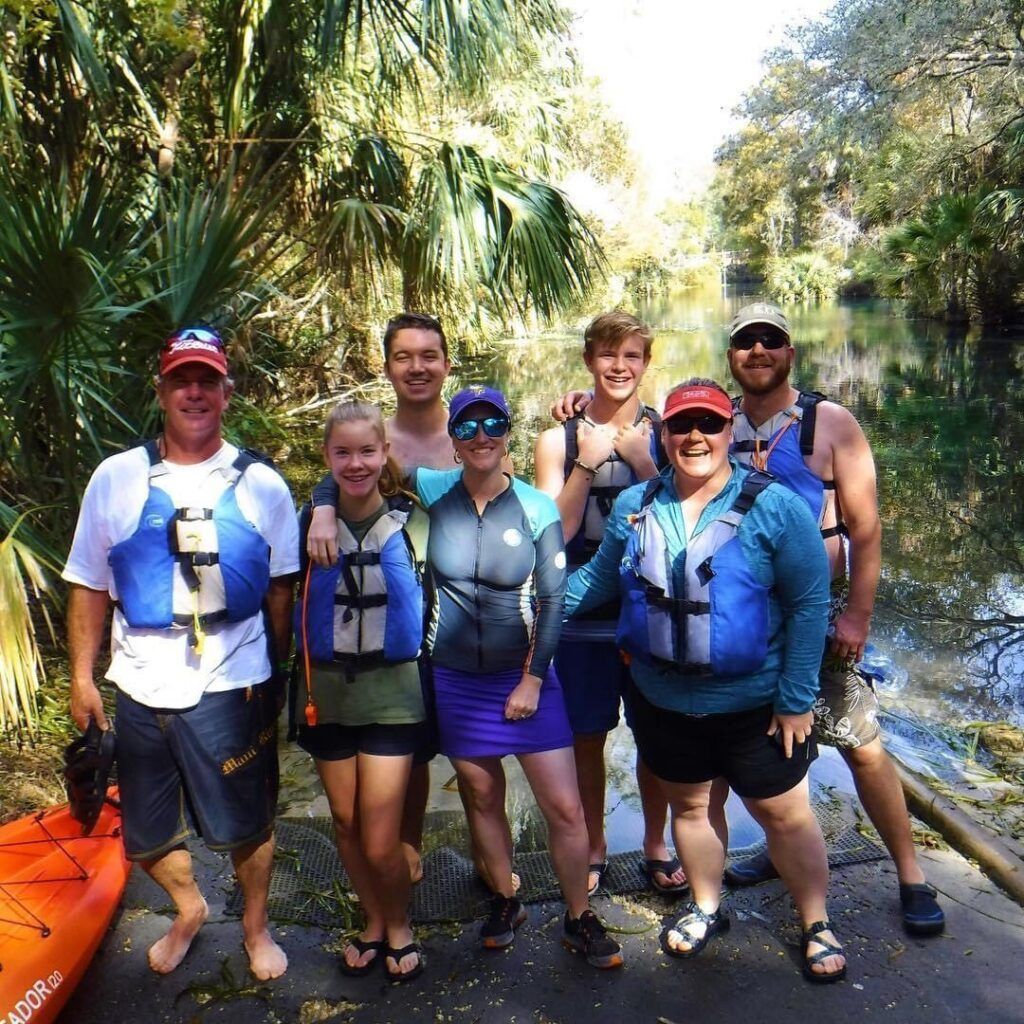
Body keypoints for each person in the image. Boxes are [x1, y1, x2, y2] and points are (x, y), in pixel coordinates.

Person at [313, 385, 624, 969]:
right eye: (467, 427)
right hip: (455, 679)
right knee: (481, 795)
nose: (481, 436)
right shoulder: (433, 491)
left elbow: (554, 600)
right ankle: (506, 897)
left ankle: (579, 914)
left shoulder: (535, 506)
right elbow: (359, 467)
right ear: (453, 440)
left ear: (508, 432)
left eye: (493, 424)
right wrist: (324, 502)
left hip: (524, 673)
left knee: (563, 806)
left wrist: (534, 679)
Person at [567, 379, 848, 983]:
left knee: (783, 814)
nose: (695, 436)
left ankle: (816, 921)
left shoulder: (774, 507)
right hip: (664, 699)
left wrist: (797, 700)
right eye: (681, 425)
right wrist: (531, 612)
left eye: (710, 424)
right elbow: (597, 582)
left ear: (729, 433)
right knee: (691, 809)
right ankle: (707, 905)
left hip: (756, 706)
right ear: (662, 434)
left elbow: (806, 602)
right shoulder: (636, 505)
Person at [63, 326, 297, 980]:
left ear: (226, 390)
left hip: (233, 680)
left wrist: (273, 676)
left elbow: (282, 590)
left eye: (206, 380)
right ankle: (189, 908)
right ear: (161, 390)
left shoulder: (263, 486)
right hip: (138, 681)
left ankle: (254, 927)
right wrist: (82, 679)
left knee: (246, 824)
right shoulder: (116, 477)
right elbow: (86, 583)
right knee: (145, 833)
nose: (193, 392)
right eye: (180, 380)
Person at [719, 303, 945, 937]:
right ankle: (780, 845)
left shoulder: (829, 423)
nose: (758, 351)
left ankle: (910, 874)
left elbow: (867, 532)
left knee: (861, 745)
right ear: (732, 355)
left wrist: (858, 617)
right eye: (745, 342)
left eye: (771, 341)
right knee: (768, 745)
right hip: (746, 625)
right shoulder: (717, 421)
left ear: (791, 352)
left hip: (818, 621)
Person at [305, 312, 517, 893]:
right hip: (402, 624)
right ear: (388, 366)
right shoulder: (379, 442)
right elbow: (347, 477)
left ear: (447, 364)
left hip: (471, 622)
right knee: (412, 757)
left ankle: (491, 870)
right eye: (404, 356)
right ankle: (405, 858)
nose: (417, 367)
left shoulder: (476, 430)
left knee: (478, 767)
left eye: (429, 355)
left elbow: (513, 500)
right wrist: (323, 503)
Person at [533, 312, 685, 897]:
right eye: (607, 356)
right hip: (581, 615)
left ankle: (654, 841)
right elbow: (555, 530)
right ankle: (593, 842)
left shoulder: (671, 431)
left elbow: (691, 517)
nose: (619, 368)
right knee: (586, 736)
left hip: (651, 611)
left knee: (656, 734)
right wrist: (588, 460)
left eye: (632, 357)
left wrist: (646, 464)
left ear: (647, 363)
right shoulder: (558, 439)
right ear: (588, 360)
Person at [293, 400, 428, 982]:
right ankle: (373, 921)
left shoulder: (413, 520)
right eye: (342, 453)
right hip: (327, 694)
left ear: (385, 454)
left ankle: (400, 924)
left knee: (379, 839)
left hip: (393, 697)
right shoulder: (307, 520)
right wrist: (322, 505)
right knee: (344, 825)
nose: (355, 464)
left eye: (367, 451)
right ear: (326, 457)